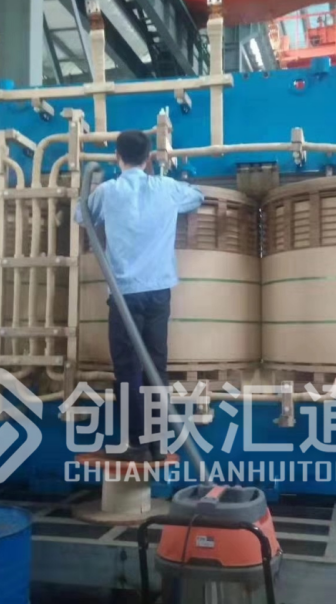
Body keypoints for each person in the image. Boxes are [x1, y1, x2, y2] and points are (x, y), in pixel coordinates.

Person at [75, 130, 204, 462]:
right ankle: (157, 443)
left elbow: (80, 216)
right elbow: (197, 197)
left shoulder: (108, 191)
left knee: (128, 371)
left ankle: (137, 445)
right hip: (159, 293)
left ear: (117, 157)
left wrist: (92, 187)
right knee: (155, 368)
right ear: (149, 158)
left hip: (124, 295)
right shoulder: (166, 188)